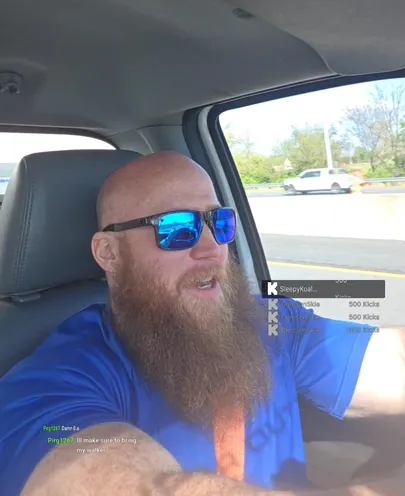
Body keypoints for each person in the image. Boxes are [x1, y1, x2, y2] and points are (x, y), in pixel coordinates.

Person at [0, 151, 404, 496]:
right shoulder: (58, 378)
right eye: (177, 228)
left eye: (219, 223)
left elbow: (392, 362)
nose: (212, 248)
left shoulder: (274, 321)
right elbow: (134, 483)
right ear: (108, 253)